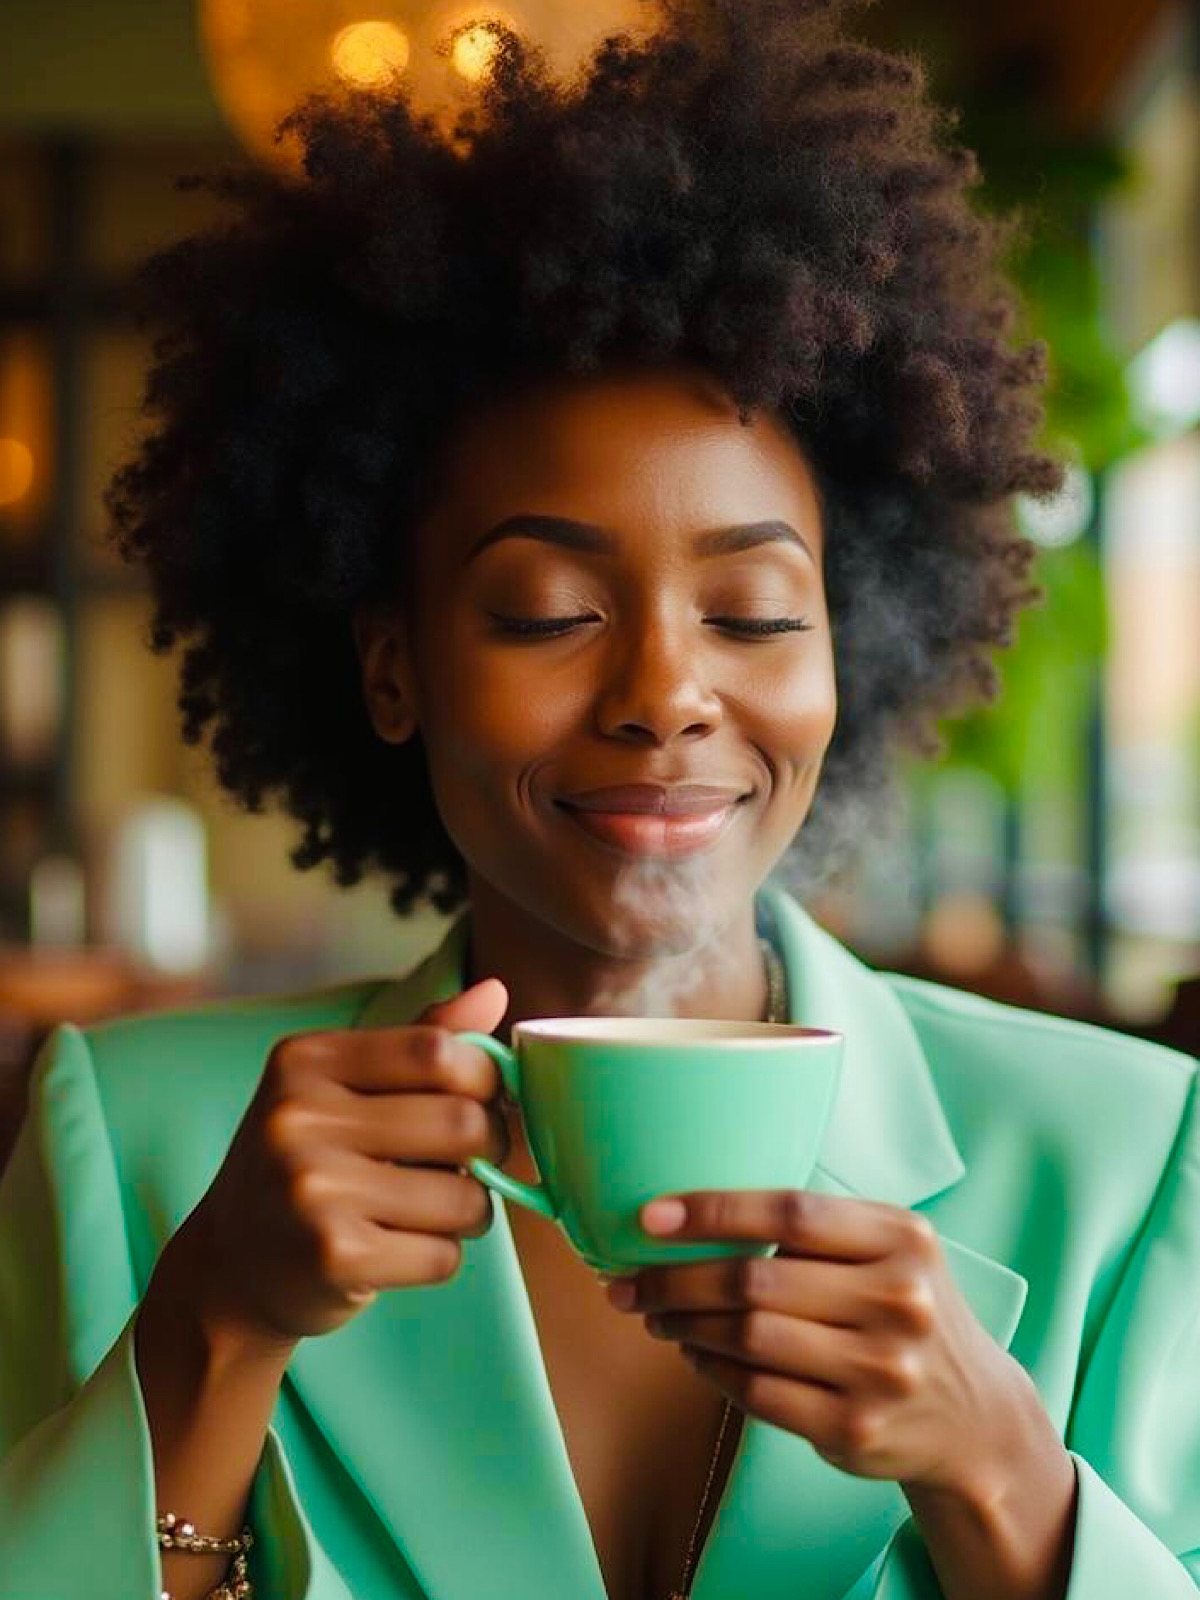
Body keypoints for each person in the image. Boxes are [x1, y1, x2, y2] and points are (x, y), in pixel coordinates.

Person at [2, 2, 1198, 1598]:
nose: (663, 693)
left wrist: (1002, 1476)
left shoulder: (1125, 1154)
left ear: (858, 647)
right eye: (548, 611)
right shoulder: (136, 1143)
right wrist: (211, 1332)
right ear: (391, 667)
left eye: (757, 615)